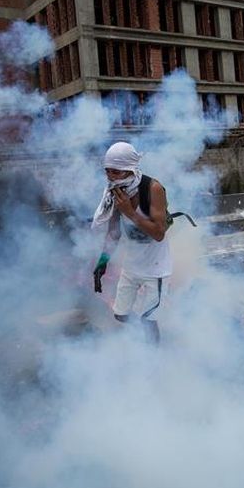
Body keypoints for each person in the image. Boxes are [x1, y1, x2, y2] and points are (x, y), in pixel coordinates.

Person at [92, 142, 170, 343]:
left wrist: (130, 212)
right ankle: (144, 335)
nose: (110, 177)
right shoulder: (115, 191)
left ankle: (154, 359)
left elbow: (159, 233)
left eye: (116, 172)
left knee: (148, 319)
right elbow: (114, 232)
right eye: (107, 172)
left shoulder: (153, 188)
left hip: (156, 270)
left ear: (129, 169)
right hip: (132, 267)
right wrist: (103, 261)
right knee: (120, 314)